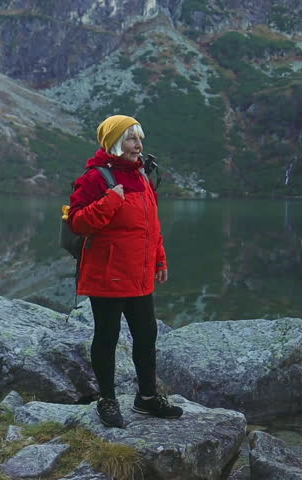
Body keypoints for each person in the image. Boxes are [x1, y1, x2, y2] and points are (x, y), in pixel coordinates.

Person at [67, 114, 183, 428]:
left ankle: (146, 399)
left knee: (147, 335)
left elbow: (150, 225)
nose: (139, 145)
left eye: (140, 139)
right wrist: (108, 202)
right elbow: (77, 221)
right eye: (133, 139)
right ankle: (107, 401)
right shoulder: (96, 177)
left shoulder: (142, 176)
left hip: (139, 274)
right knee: (107, 337)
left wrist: (159, 258)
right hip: (107, 275)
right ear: (116, 142)